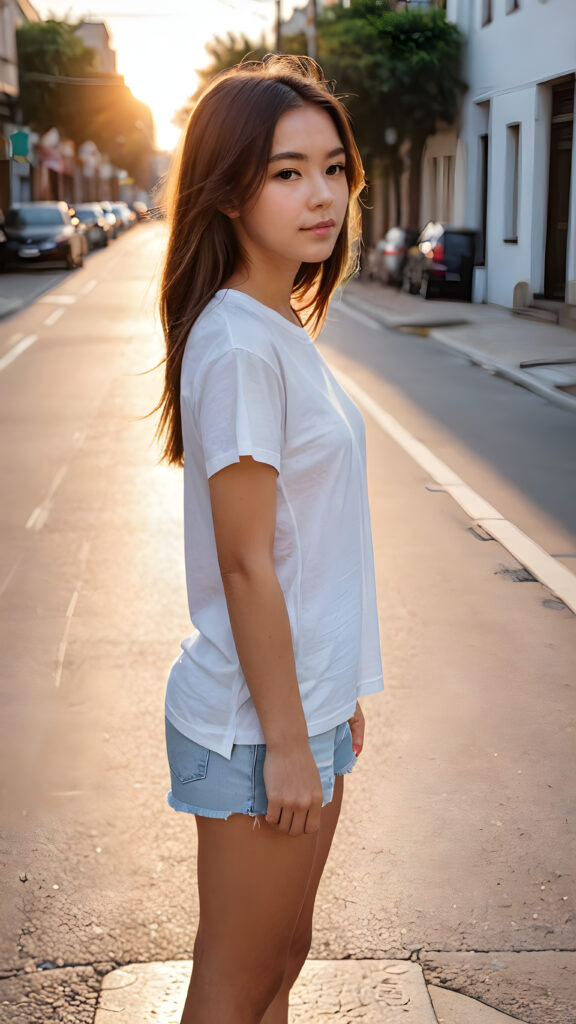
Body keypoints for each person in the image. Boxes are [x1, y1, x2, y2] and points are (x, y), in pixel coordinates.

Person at [155, 54, 384, 1024]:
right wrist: (292, 741)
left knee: (280, 964)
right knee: (235, 983)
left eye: (332, 167)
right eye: (287, 171)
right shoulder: (242, 342)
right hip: (257, 732)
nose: (321, 193)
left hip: (301, 711)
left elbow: (307, 544)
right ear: (228, 187)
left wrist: (334, 704)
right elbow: (247, 563)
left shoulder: (276, 318)